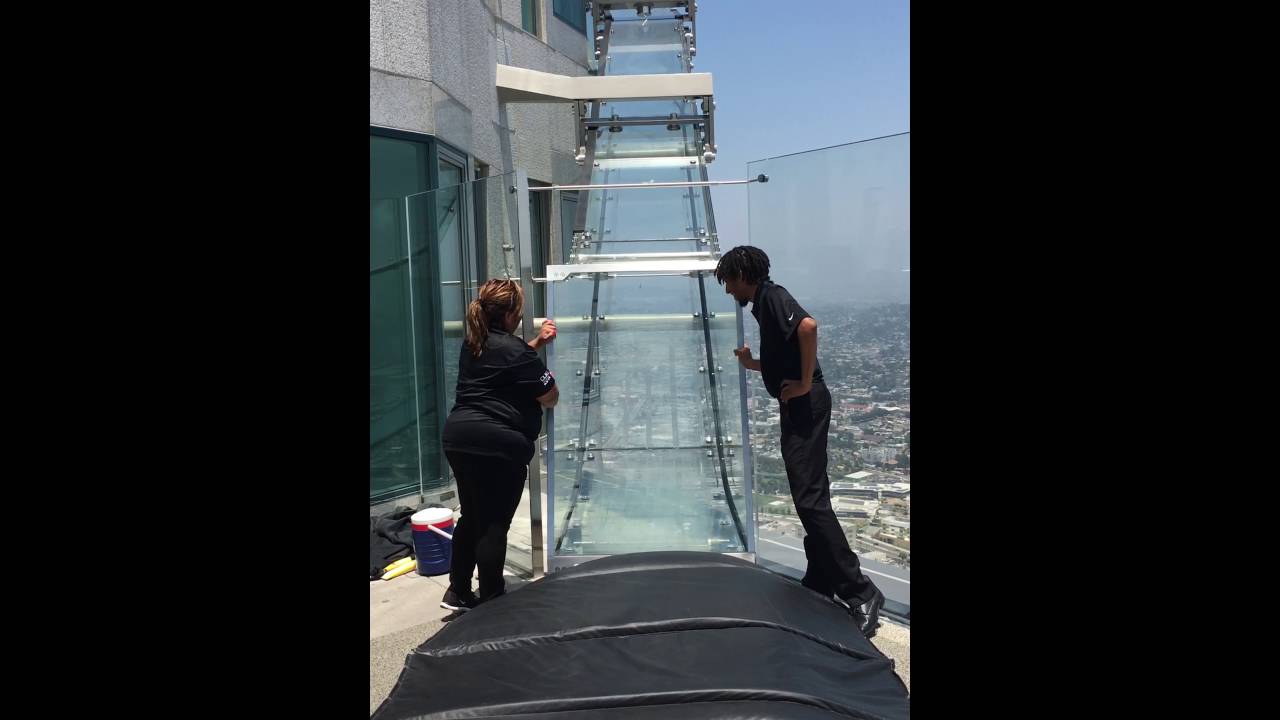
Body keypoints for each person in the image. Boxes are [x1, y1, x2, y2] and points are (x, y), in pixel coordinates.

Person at [715, 246, 886, 638]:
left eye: (728, 281)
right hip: (798, 405)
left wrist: (806, 383)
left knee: (810, 498)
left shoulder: (773, 297)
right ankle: (822, 577)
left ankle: (861, 592)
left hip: (806, 404)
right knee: (808, 494)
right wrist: (753, 363)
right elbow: (785, 357)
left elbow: (808, 327)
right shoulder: (762, 303)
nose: (728, 290)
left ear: (744, 275)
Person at [439, 278, 559, 612]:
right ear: (510, 314)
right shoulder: (516, 351)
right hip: (498, 445)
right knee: (494, 525)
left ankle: (458, 591)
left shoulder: (473, 342)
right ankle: (492, 602)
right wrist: (541, 370)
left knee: (472, 516)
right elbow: (549, 397)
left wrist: (535, 344)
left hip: (459, 439)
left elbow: (504, 363)